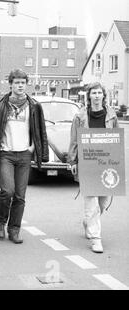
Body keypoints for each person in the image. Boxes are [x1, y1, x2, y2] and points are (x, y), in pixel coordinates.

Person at [0, 69, 48, 244]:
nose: (20, 85)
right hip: (6, 154)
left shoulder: (34, 105)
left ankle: (14, 229)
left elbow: (40, 129)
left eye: (23, 82)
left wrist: (34, 147)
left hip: (24, 154)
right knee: (7, 191)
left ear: (26, 84)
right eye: (17, 82)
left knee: (20, 195)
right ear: (10, 84)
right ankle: (0, 221)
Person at [68, 82, 118, 254]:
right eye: (93, 93)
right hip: (87, 162)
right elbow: (74, 139)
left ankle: (88, 222)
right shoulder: (80, 116)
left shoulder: (111, 115)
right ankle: (96, 238)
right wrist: (72, 161)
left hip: (106, 164)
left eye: (99, 93)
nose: (96, 96)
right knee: (91, 201)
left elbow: (116, 140)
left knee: (103, 202)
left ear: (104, 95)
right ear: (89, 96)